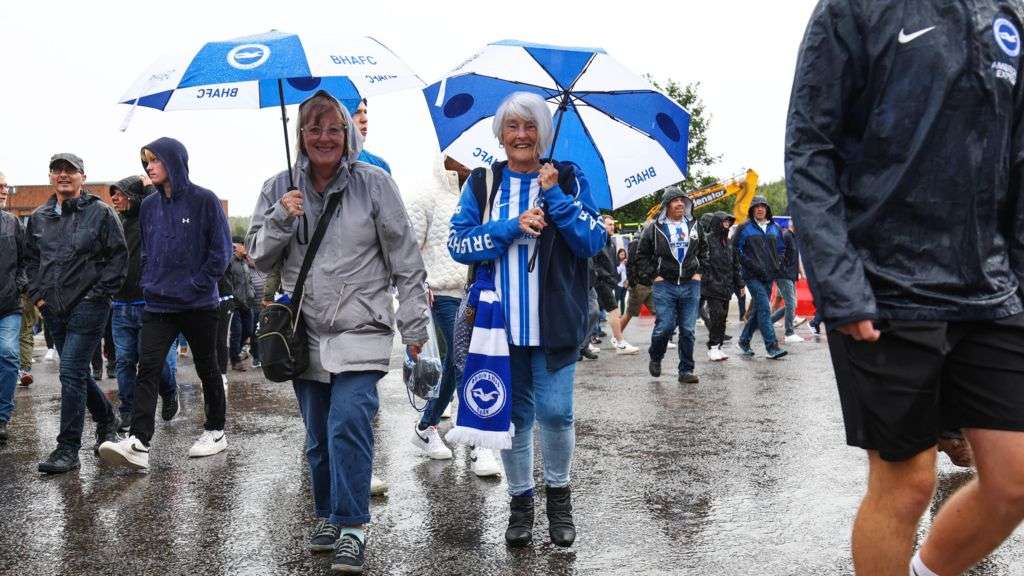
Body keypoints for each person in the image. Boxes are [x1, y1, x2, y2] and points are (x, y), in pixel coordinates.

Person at [786, 2, 1024, 574]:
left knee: (1014, 481)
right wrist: (840, 284)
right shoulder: (855, 8)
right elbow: (810, 147)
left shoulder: (1008, 15)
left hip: (991, 290)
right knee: (909, 484)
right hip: (885, 287)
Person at [248, 91, 429, 573]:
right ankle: (326, 513)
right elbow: (258, 258)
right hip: (303, 332)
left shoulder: (374, 184)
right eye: (314, 129)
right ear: (300, 135)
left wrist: (414, 325)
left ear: (348, 134)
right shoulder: (277, 187)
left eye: (334, 128)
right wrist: (282, 217)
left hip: (361, 325)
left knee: (347, 421)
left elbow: (406, 261)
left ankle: (352, 525)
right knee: (317, 433)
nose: (324, 138)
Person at [448, 91, 606, 548]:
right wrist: (510, 226)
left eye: (530, 126)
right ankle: (521, 503)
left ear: (544, 132)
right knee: (513, 418)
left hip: (556, 322)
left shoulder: (569, 178)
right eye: (512, 127)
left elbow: (591, 241)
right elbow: (458, 244)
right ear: (500, 134)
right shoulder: (482, 183)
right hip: (499, 330)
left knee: (556, 413)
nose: (521, 135)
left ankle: (559, 497)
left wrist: (555, 196)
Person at [99, 138, 232, 469]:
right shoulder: (148, 206)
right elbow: (146, 251)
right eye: (146, 162)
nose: (149, 167)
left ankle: (215, 431)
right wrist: (150, 280)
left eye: (155, 160)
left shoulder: (205, 200)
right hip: (158, 304)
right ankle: (140, 443)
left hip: (199, 304)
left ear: (174, 161)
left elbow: (222, 252)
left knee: (207, 367)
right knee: (148, 367)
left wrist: (196, 284)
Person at [26, 153, 126, 473]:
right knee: (78, 372)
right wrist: (38, 298)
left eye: (70, 170)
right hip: (52, 309)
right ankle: (108, 419)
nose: (63, 175)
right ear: (50, 177)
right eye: (57, 170)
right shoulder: (39, 217)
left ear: (83, 176)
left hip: (89, 306)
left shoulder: (101, 213)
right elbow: (30, 262)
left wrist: (98, 295)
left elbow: (118, 258)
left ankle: (68, 448)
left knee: (69, 372)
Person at [405, 156, 503, 477]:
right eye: (460, 157)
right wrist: (418, 285)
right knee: (466, 363)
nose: (468, 163)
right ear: (446, 158)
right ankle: (480, 444)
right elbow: (406, 248)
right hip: (441, 292)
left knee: (454, 362)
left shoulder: (483, 194)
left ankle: (426, 424)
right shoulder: (426, 196)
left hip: (475, 292)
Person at [108, 176, 180, 431]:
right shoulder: (114, 223)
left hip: (149, 304)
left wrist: (146, 184)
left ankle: (170, 392)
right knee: (125, 361)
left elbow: (158, 200)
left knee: (152, 362)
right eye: (112, 193)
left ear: (135, 196)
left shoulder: (149, 218)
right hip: (119, 305)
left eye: (120, 193)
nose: (114, 198)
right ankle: (127, 410)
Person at [635, 186, 707, 384]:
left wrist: (699, 273)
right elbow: (641, 255)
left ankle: (686, 370)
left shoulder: (695, 225)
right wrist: (653, 274)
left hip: (691, 284)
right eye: (675, 201)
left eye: (683, 200)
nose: (680, 204)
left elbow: (704, 251)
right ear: (666, 205)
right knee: (665, 327)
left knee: (688, 330)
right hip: (664, 284)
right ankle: (656, 357)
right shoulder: (654, 228)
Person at [733, 196, 788, 359]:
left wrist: (777, 264)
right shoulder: (744, 228)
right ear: (752, 210)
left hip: (769, 276)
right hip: (752, 276)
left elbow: (781, 249)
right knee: (764, 308)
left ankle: (743, 341)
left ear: (767, 209)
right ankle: (772, 347)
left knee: (758, 311)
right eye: (756, 206)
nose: (760, 209)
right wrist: (751, 265)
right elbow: (737, 250)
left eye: (763, 206)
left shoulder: (775, 228)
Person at [0, 171, 27, 441]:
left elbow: (25, 260)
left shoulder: (12, 223)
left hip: (8, 305)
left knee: (7, 354)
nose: (4, 190)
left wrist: (19, 284)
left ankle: (2, 417)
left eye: (5, 186)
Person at [592, 215, 639, 354]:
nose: (612, 226)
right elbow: (595, 264)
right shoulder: (597, 242)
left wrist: (614, 278)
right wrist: (608, 278)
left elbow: (612, 264)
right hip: (600, 282)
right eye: (608, 224)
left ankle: (585, 343)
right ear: (601, 225)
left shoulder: (610, 242)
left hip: (607, 282)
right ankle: (619, 342)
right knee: (613, 311)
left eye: (612, 224)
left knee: (593, 314)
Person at [701, 212, 741, 361]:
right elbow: (703, 262)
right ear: (718, 222)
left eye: (728, 221)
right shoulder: (707, 240)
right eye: (724, 220)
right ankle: (712, 347)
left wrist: (739, 283)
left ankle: (718, 347)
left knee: (723, 317)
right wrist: (708, 280)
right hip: (711, 287)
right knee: (716, 315)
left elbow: (735, 264)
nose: (727, 223)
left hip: (726, 286)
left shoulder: (729, 242)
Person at [769, 220, 805, 343]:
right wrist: (781, 271)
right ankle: (789, 333)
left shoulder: (795, 238)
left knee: (791, 304)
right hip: (784, 276)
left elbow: (795, 257)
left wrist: (801, 273)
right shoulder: (786, 236)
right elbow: (776, 256)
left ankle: (767, 323)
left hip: (790, 276)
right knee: (791, 304)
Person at [226, 236, 255, 372]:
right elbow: (226, 281)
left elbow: (249, 281)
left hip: (247, 303)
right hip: (235, 304)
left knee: (249, 330)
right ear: (235, 246)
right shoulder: (230, 261)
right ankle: (235, 360)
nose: (246, 247)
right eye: (243, 245)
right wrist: (231, 297)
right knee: (236, 332)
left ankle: (234, 352)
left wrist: (252, 293)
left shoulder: (245, 262)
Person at [351, 98, 392, 174]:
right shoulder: (326, 163)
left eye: (365, 112)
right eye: (356, 112)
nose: (365, 119)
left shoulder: (380, 166)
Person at [615, 247, 628, 316]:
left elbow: (627, 272)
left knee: (623, 299)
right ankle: (616, 313)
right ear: (618, 255)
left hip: (625, 283)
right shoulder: (616, 263)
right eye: (621, 254)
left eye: (624, 254)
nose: (623, 256)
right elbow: (617, 271)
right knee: (616, 299)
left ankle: (622, 313)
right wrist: (622, 264)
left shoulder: (626, 262)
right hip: (618, 283)